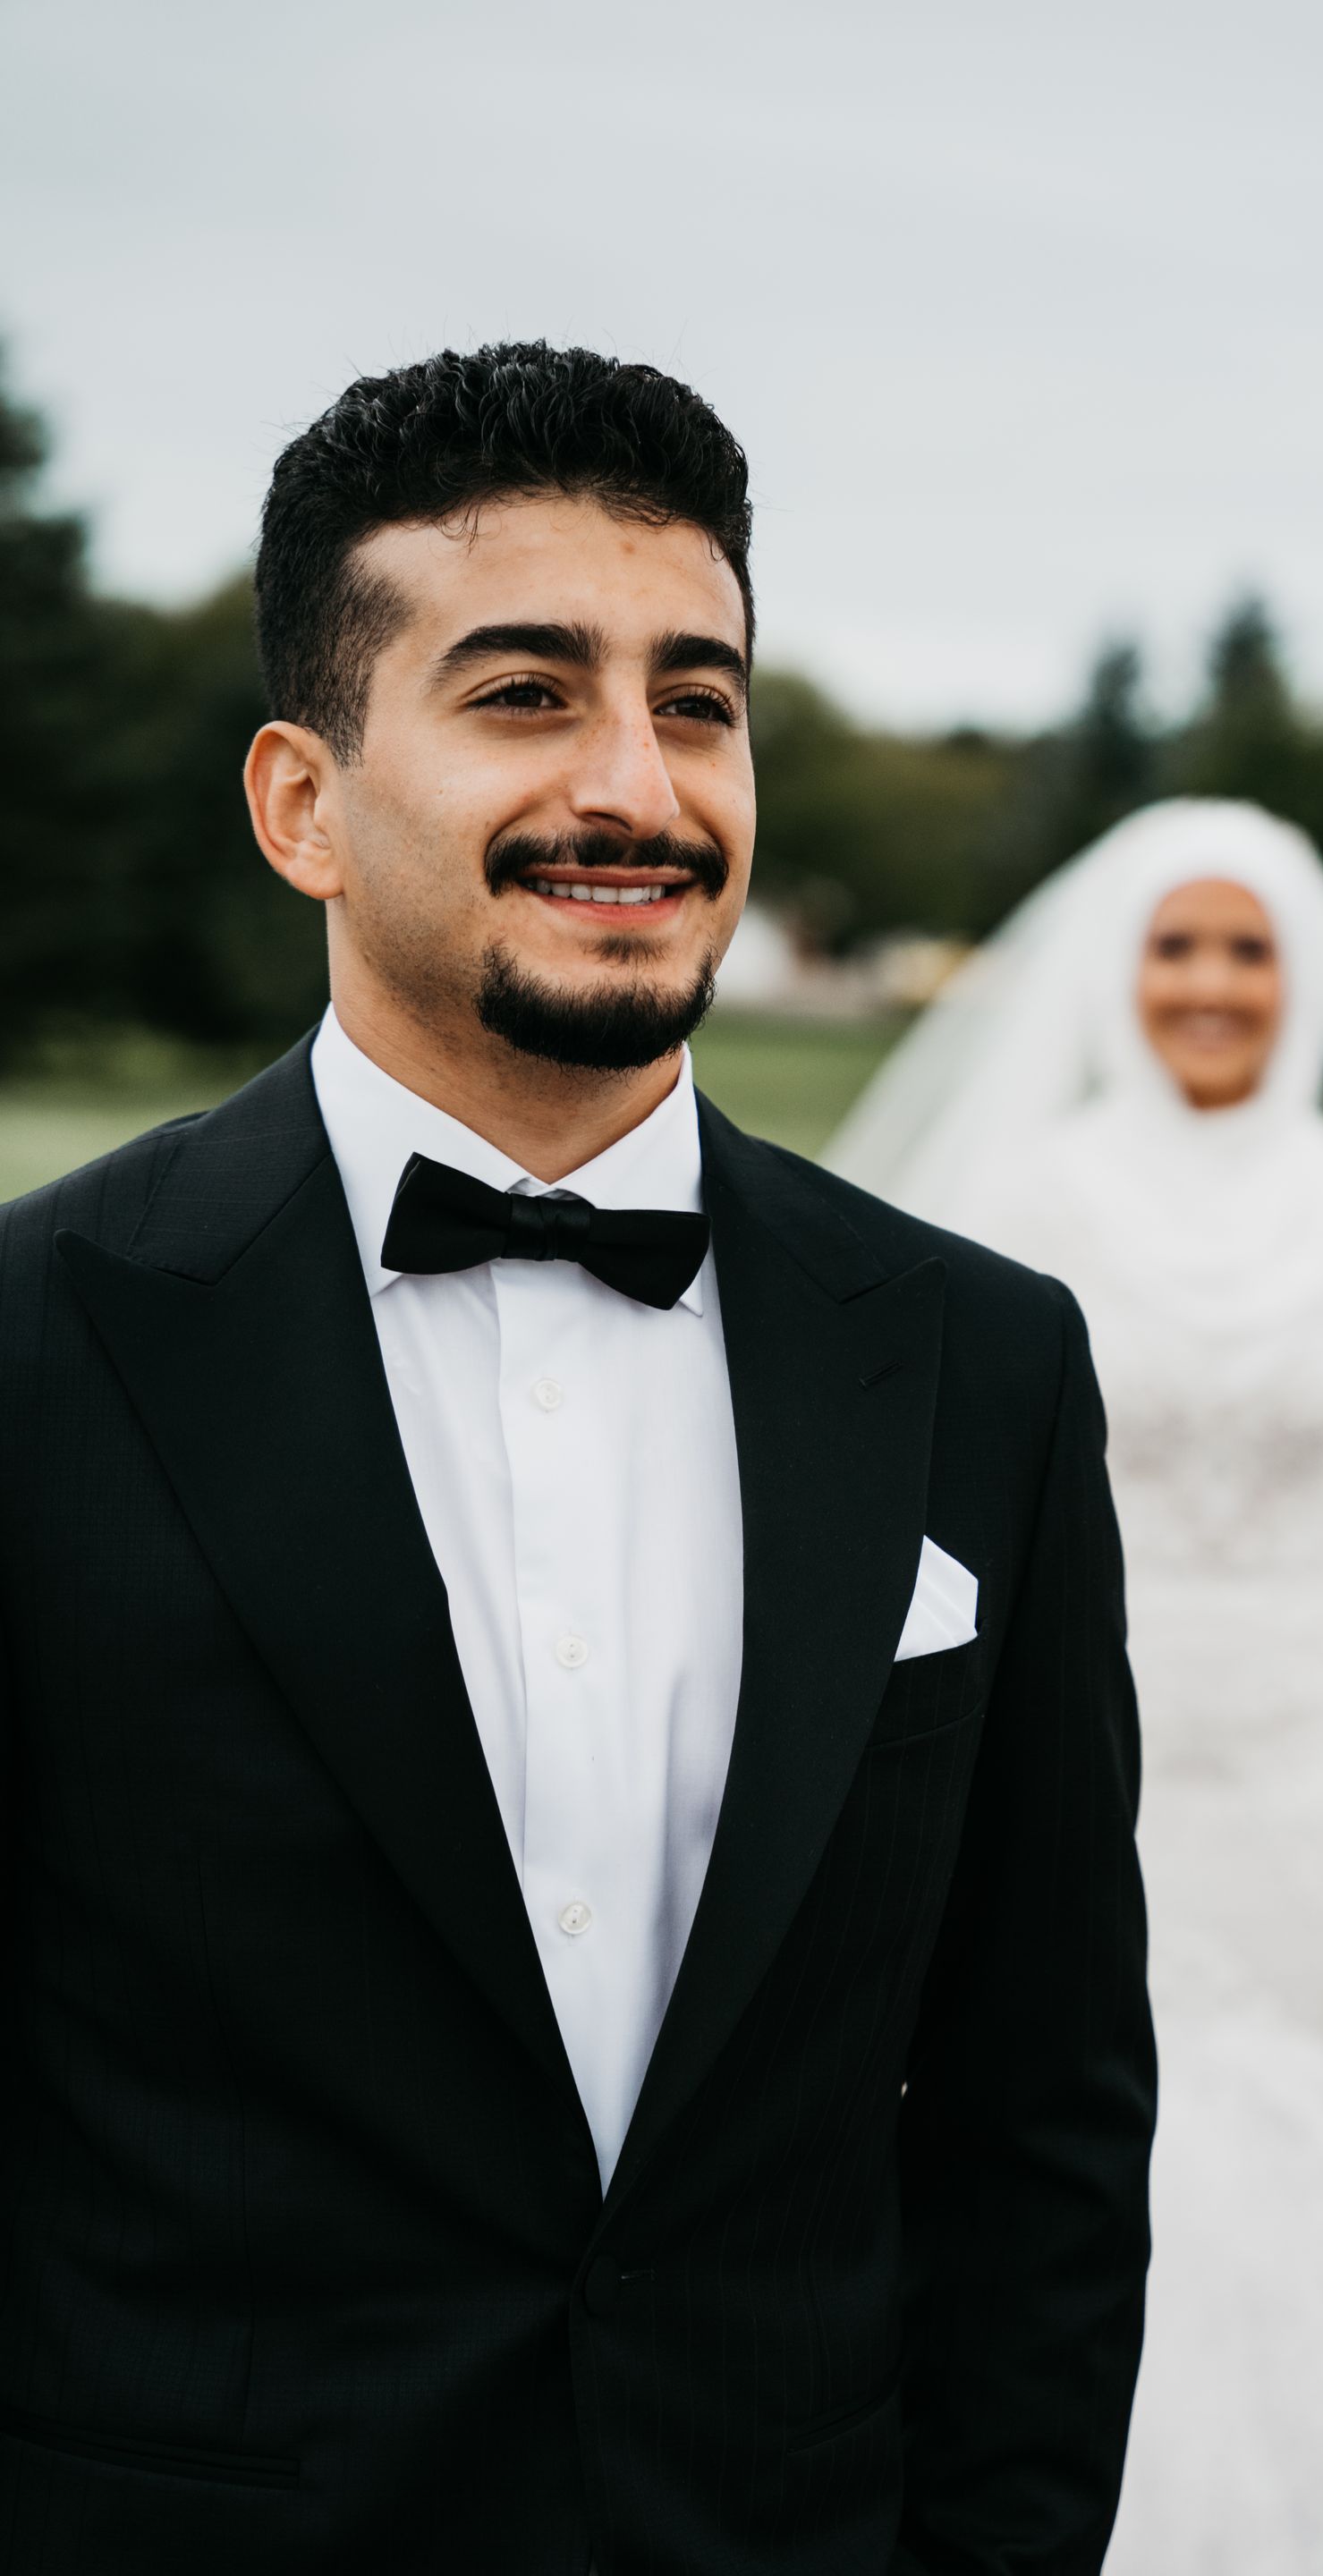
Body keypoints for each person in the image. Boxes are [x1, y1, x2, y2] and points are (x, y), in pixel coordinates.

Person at [0, 343, 1154, 2575]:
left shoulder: (980, 1366)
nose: (638, 780)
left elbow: (1042, 2120)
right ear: (301, 803)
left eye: (697, 699)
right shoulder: (34, 1349)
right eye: (526, 693)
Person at [829, 799, 1323, 2575]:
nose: (1209, 982)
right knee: (1082, 2115)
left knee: (1278, 2118)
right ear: (1118, 976)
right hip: (1078, 1745)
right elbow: (929, 1493)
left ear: (1302, 981)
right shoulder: (1034, 1196)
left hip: (1305, 1753)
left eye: (1246, 949)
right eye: (1175, 945)